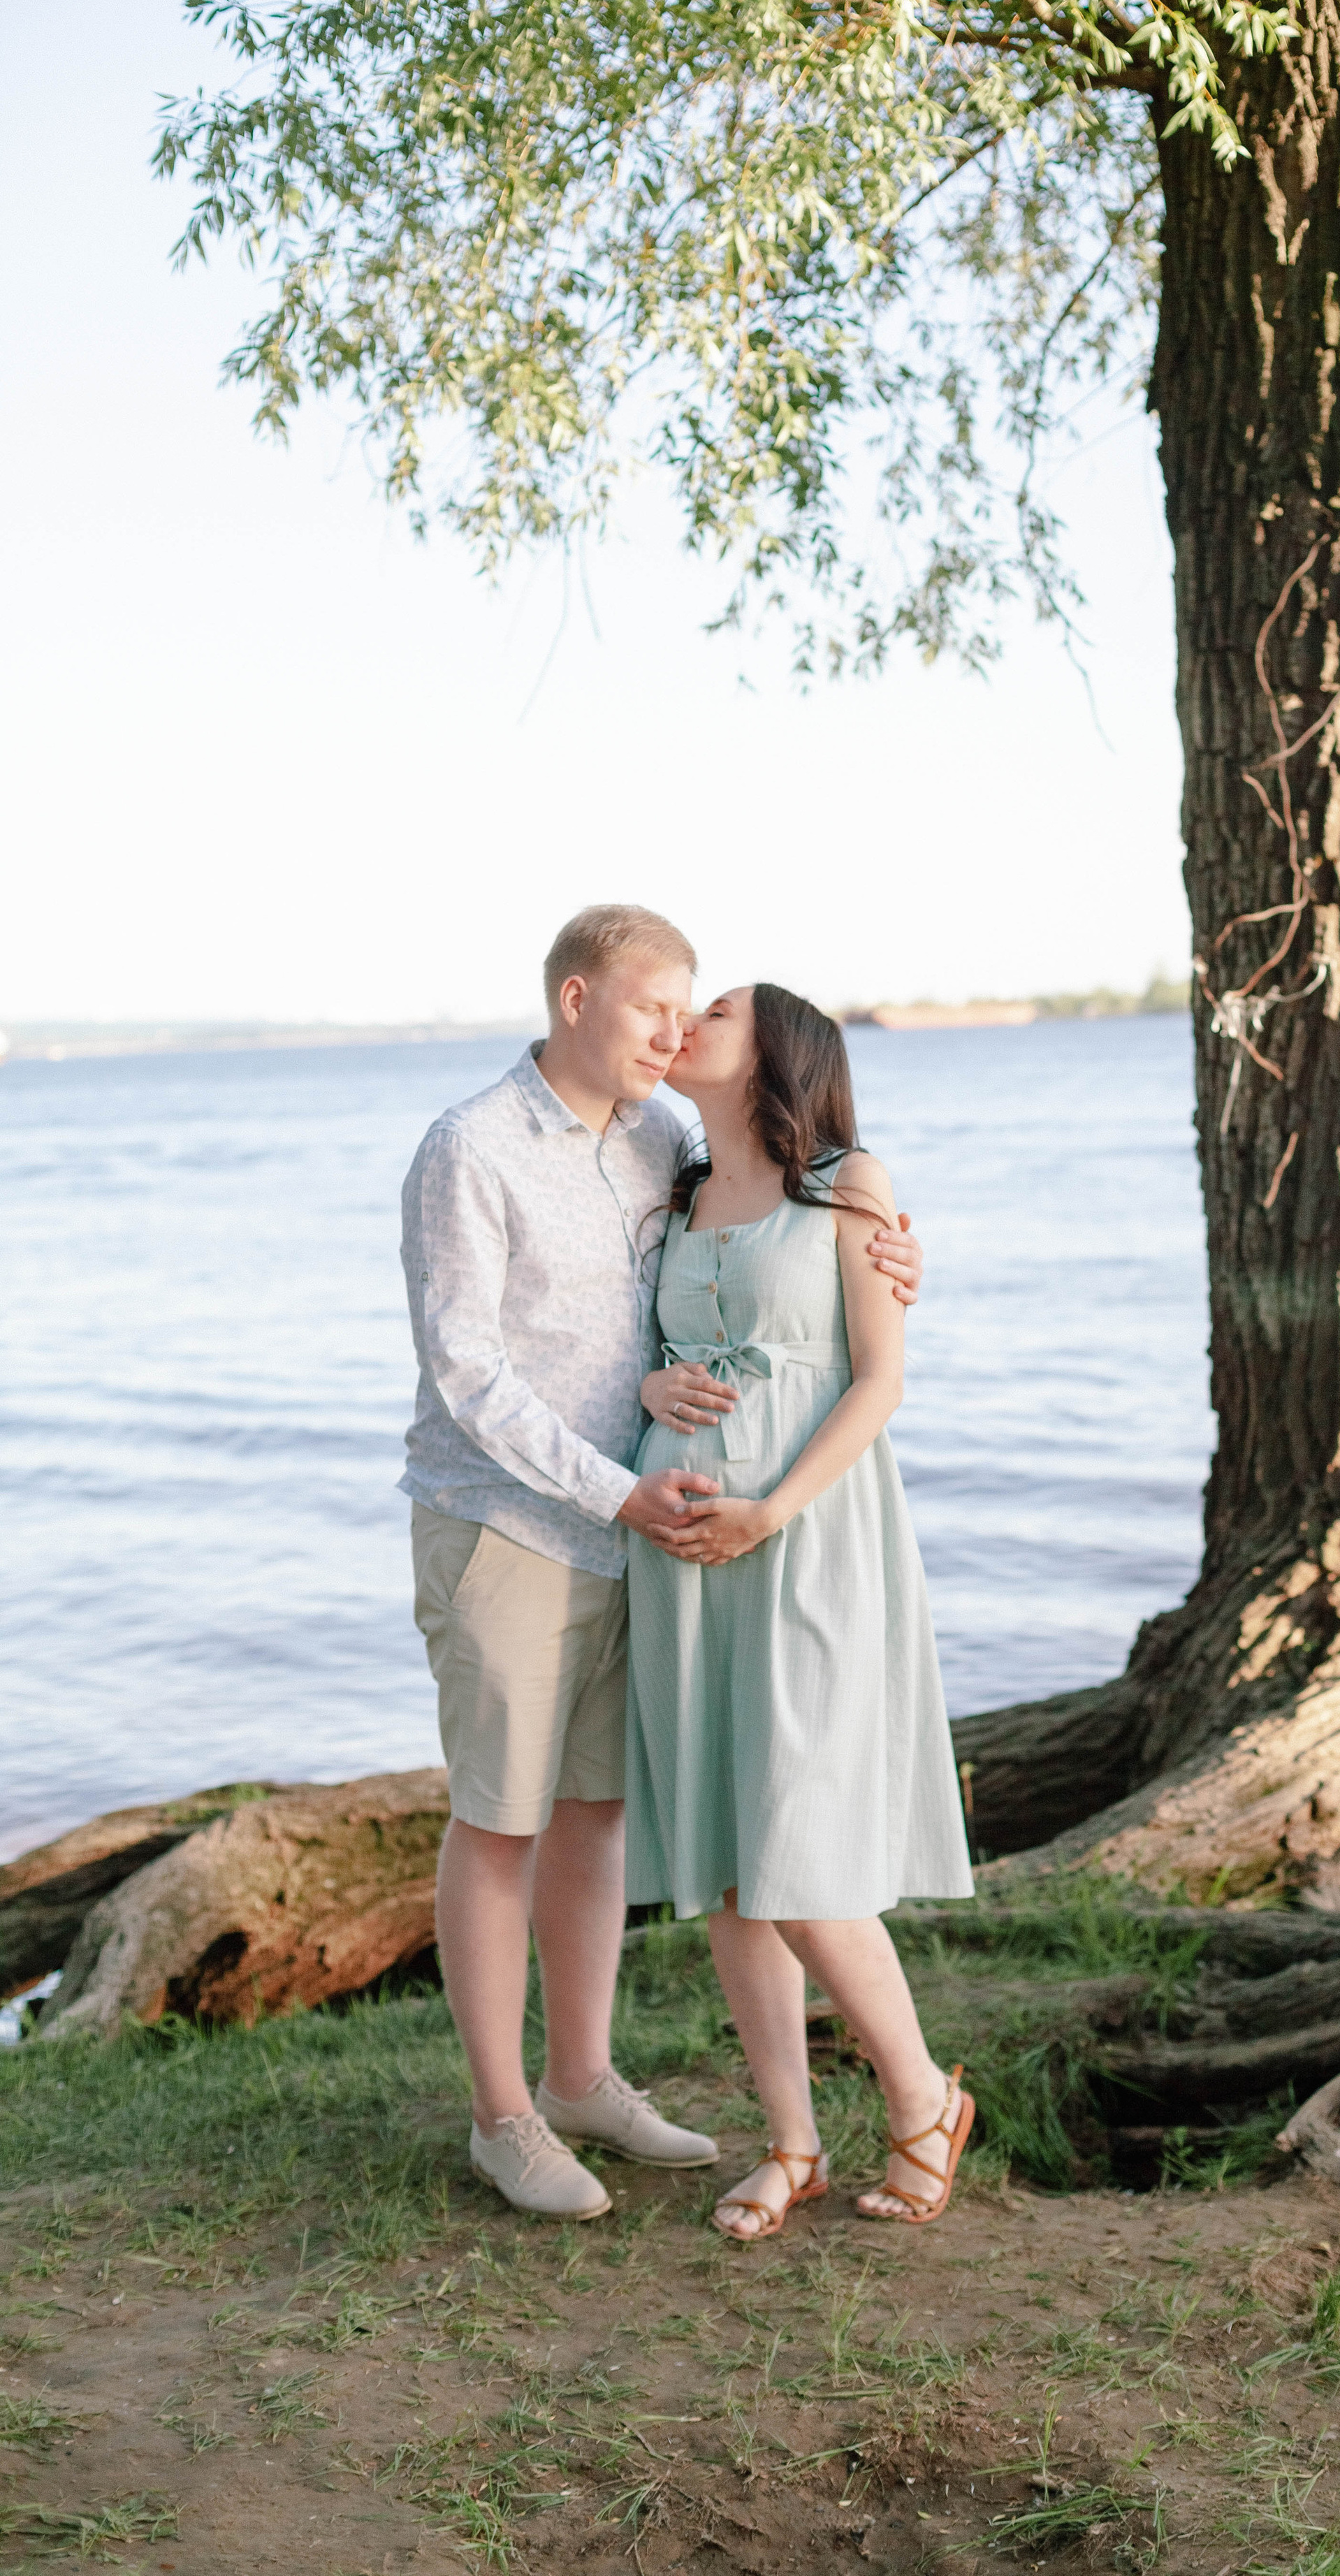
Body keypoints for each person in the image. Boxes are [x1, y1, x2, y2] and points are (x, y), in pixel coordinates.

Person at [400, 908, 924, 2219]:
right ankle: (503, 2117)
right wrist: (621, 1487)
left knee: (594, 1814)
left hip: (656, 1536)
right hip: (516, 1520)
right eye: (653, 1011)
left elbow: (776, 1254)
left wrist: (899, 1247)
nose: (674, 1033)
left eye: (694, 1012)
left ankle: (583, 2081)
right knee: (499, 1816)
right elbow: (468, 1371)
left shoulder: (666, 1143)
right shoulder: (470, 1147)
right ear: (577, 999)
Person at [625, 983, 976, 2241]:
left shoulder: (847, 1182)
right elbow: (625, 1344)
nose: (683, 1023)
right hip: (681, 1556)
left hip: (808, 1538)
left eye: (712, 1006)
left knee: (802, 1844)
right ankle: (792, 2144)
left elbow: (881, 1381)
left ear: (778, 1046)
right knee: (730, 1861)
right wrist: (653, 1379)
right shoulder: (669, 1188)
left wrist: (770, 1510)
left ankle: (926, 2098)